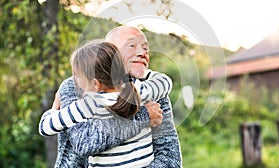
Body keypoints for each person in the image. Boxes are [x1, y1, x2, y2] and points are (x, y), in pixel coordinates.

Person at [52, 26, 182, 167]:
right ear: (109, 52)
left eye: (145, 48)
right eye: (131, 45)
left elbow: (170, 157)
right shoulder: (76, 85)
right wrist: (144, 116)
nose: (142, 53)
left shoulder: (153, 90)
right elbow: (85, 142)